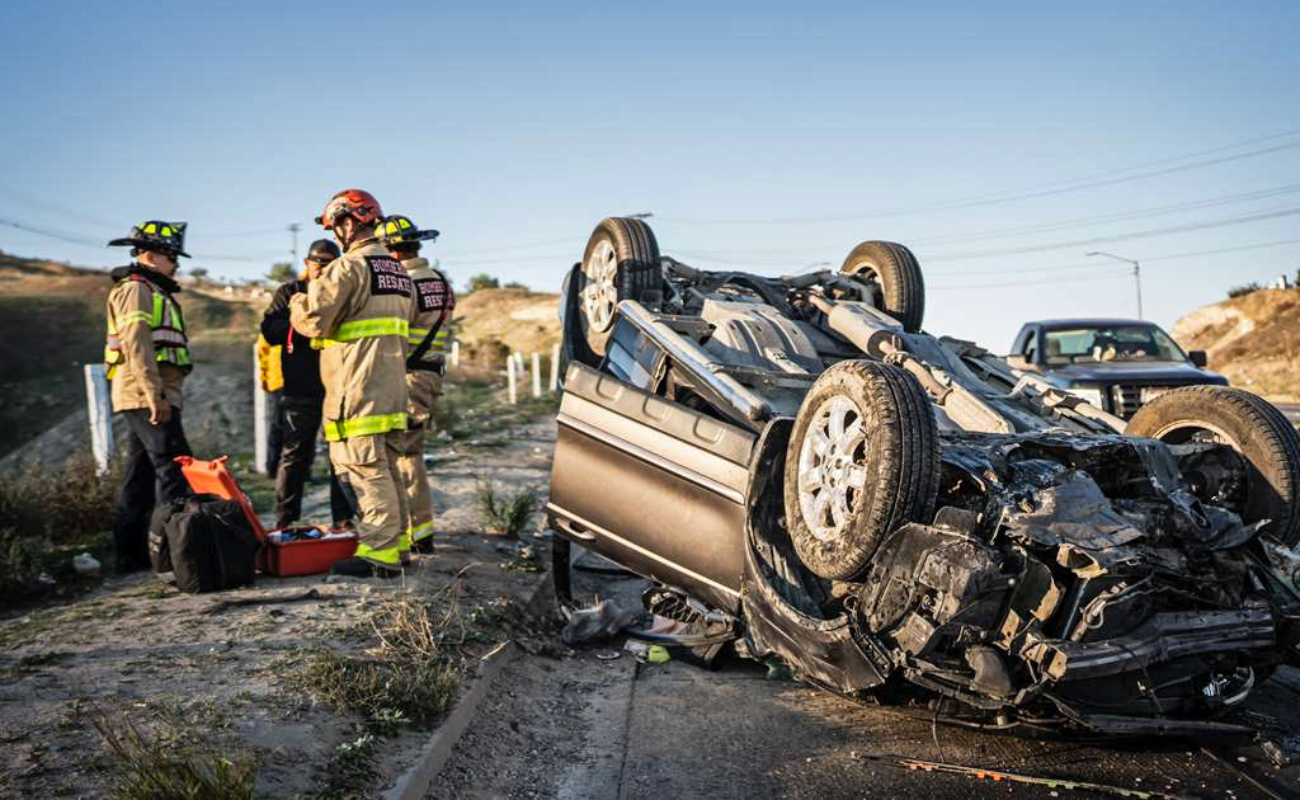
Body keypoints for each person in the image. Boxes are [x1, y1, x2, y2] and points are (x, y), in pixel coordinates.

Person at [289, 190, 418, 578]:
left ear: (348, 222)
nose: (336, 236)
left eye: (335, 227)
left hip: (357, 388)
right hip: (391, 387)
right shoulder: (398, 272)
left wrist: (297, 301)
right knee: (388, 469)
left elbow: (313, 320)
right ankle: (397, 548)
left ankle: (379, 555)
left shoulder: (348, 269)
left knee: (364, 469)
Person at [104, 221, 195, 574]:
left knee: (139, 478)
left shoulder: (155, 291)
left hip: (152, 393)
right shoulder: (136, 289)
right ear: (151, 255)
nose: (176, 265)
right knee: (173, 470)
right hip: (147, 394)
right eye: (172, 257)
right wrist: (153, 395)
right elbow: (136, 345)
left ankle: (130, 558)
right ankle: (176, 554)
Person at [259, 238, 355, 530]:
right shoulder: (290, 292)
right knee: (295, 456)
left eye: (330, 263)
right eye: (318, 262)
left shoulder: (344, 293)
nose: (323, 269)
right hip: (300, 389)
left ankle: (343, 519)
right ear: (307, 264)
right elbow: (271, 330)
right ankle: (285, 521)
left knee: (341, 457)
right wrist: (305, 324)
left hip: (338, 390)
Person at [374, 215, 454, 556]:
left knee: (400, 454)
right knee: (412, 453)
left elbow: (394, 329)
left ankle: (412, 535)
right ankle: (421, 531)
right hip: (430, 375)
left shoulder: (406, 284)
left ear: (392, 252)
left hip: (408, 377)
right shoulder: (438, 280)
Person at [256, 333, 284, 475]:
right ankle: (273, 467)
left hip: (284, 381)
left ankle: (275, 467)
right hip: (278, 381)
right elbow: (262, 351)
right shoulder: (275, 319)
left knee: (281, 426)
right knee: (278, 425)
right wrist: (264, 377)